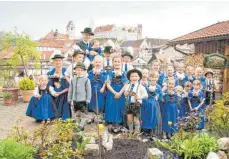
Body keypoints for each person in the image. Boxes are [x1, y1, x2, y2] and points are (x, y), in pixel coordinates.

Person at [105, 56, 128, 132]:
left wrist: (120, 93)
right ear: (112, 62)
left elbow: (125, 84)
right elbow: (108, 84)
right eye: (115, 61)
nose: (117, 63)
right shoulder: (109, 72)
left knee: (119, 106)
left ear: (121, 63)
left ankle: (119, 123)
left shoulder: (124, 73)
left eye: (118, 61)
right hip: (112, 91)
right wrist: (115, 93)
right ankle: (111, 123)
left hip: (121, 91)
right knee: (111, 106)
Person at [48, 52, 71, 120]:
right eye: (56, 61)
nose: (57, 62)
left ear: (62, 61)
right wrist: (53, 92)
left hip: (64, 90)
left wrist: (60, 77)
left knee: (65, 97)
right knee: (48, 97)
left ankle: (64, 116)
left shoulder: (66, 71)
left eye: (59, 60)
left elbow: (68, 84)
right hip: (54, 91)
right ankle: (52, 116)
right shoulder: (50, 72)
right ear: (53, 62)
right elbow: (49, 85)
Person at [68, 62, 91, 131]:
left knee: (84, 114)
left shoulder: (86, 80)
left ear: (84, 71)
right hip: (75, 100)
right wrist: (69, 98)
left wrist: (88, 99)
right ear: (75, 70)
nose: (79, 71)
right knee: (77, 114)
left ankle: (81, 125)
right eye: (78, 70)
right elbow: (70, 90)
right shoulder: (73, 80)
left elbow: (88, 90)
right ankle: (78, 125)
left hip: (83, 100)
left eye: (81, 70)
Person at [124, 69, 148, 135]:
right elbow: (125, 94)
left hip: (136, 104)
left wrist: (139, 97)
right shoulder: (128, 86)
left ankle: (136, 132)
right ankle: (131, 131)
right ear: (129, 78)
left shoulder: (141, 87)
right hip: (128, 103)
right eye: (132, 76)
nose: (134, 78)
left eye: (135, 76)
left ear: (139, 77)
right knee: (129, 119)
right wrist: (125, 94)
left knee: (136, 119)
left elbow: (146, 95)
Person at [141, 72, 162, 136]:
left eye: (155, 77)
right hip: (147, 103)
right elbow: (144, 93)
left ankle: (152, 130)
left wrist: (155, 92)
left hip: (154, 103)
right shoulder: (147, 85)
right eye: (152, 77)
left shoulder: (158, 86)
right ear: (149, 78)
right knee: (146, 116)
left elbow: (159, 96)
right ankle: (145, 129)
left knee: (153, 116)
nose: (154, 79)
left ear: (157, 78)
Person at [88, 55, 106, 123]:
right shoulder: (90, 72)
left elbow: (105, 81)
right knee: (92, 102)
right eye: (96, 62)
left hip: (100, 89)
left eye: (99, 62)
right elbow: (88, 80)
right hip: (92, 88)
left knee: (100, 102)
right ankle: (91, 116)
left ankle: (99, 117)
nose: (98, 63)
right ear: (93, 63)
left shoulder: (103, 72)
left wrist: (103, 88)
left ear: (102, 63)